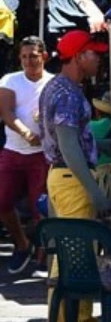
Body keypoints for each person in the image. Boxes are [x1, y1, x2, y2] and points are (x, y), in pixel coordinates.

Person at [38, 30, 110, 322]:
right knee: (71, 259)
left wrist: (103, 145)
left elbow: (73, 140)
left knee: (79, 256)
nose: (99, 58)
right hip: (72, 179)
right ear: (79, 56)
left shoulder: (61, 87)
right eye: (94, 53)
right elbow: (67, 145)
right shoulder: (67, 93)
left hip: (64, 177)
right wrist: (93, 189)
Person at [0, 37, 53, 274]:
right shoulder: (10, 80)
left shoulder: (53, 83)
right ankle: (22, 244)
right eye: (24, 56)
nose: (28, 61)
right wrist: (25, 131)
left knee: (40, 208)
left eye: (33, 55)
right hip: (13, 150)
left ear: (44, 56)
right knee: (2, 201)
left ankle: (42, 256)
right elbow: (7, 112)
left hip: (42, 155)